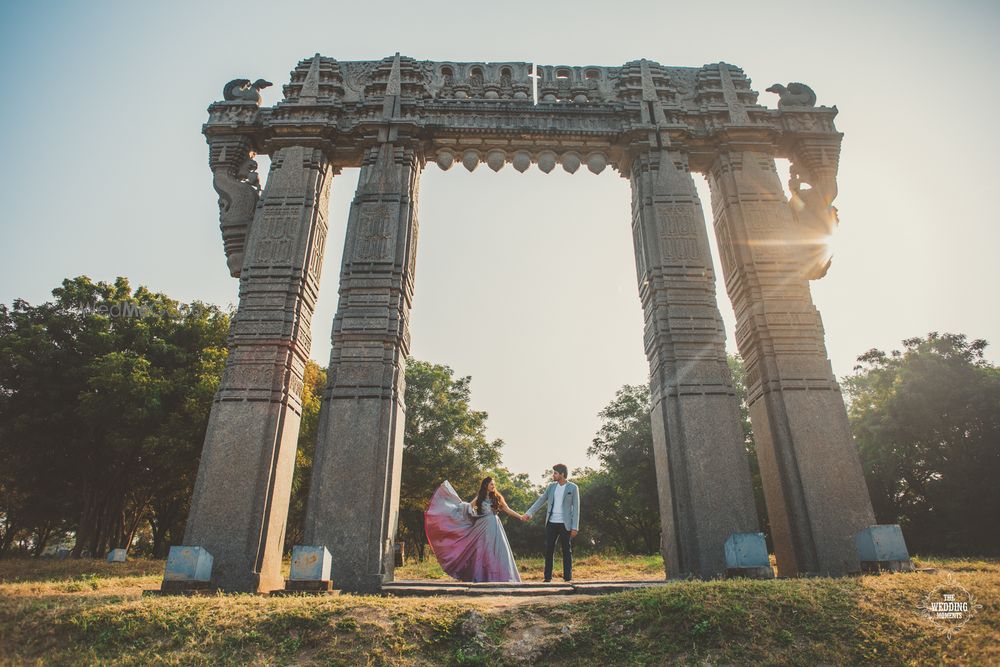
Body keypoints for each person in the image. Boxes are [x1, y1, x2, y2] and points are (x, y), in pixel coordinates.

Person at [424, 477, 524, 583]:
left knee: (496, 551)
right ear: (486, 485)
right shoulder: (479, 498)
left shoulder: (497, 497)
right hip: (481, 526)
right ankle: (482, 577)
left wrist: (520, 516)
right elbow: (469, 507)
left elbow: (507, 509)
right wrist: (471, 514)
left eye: (494, 484)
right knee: (482, 551)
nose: (493, 486)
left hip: (494, 526)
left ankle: (499, 577)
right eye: (491, 484)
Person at [522, 463, 580, 582]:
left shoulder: (573, 487)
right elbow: (541, 500)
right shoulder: (551, 487)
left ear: (562, 474)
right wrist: (529, 512)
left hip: (566, 524)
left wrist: (575, 527)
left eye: (555, 473)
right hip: (551, 523)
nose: (553, 475)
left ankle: (567, 578)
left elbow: (577, 508)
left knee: (566, 550)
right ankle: (547, 578)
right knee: (549, 549)